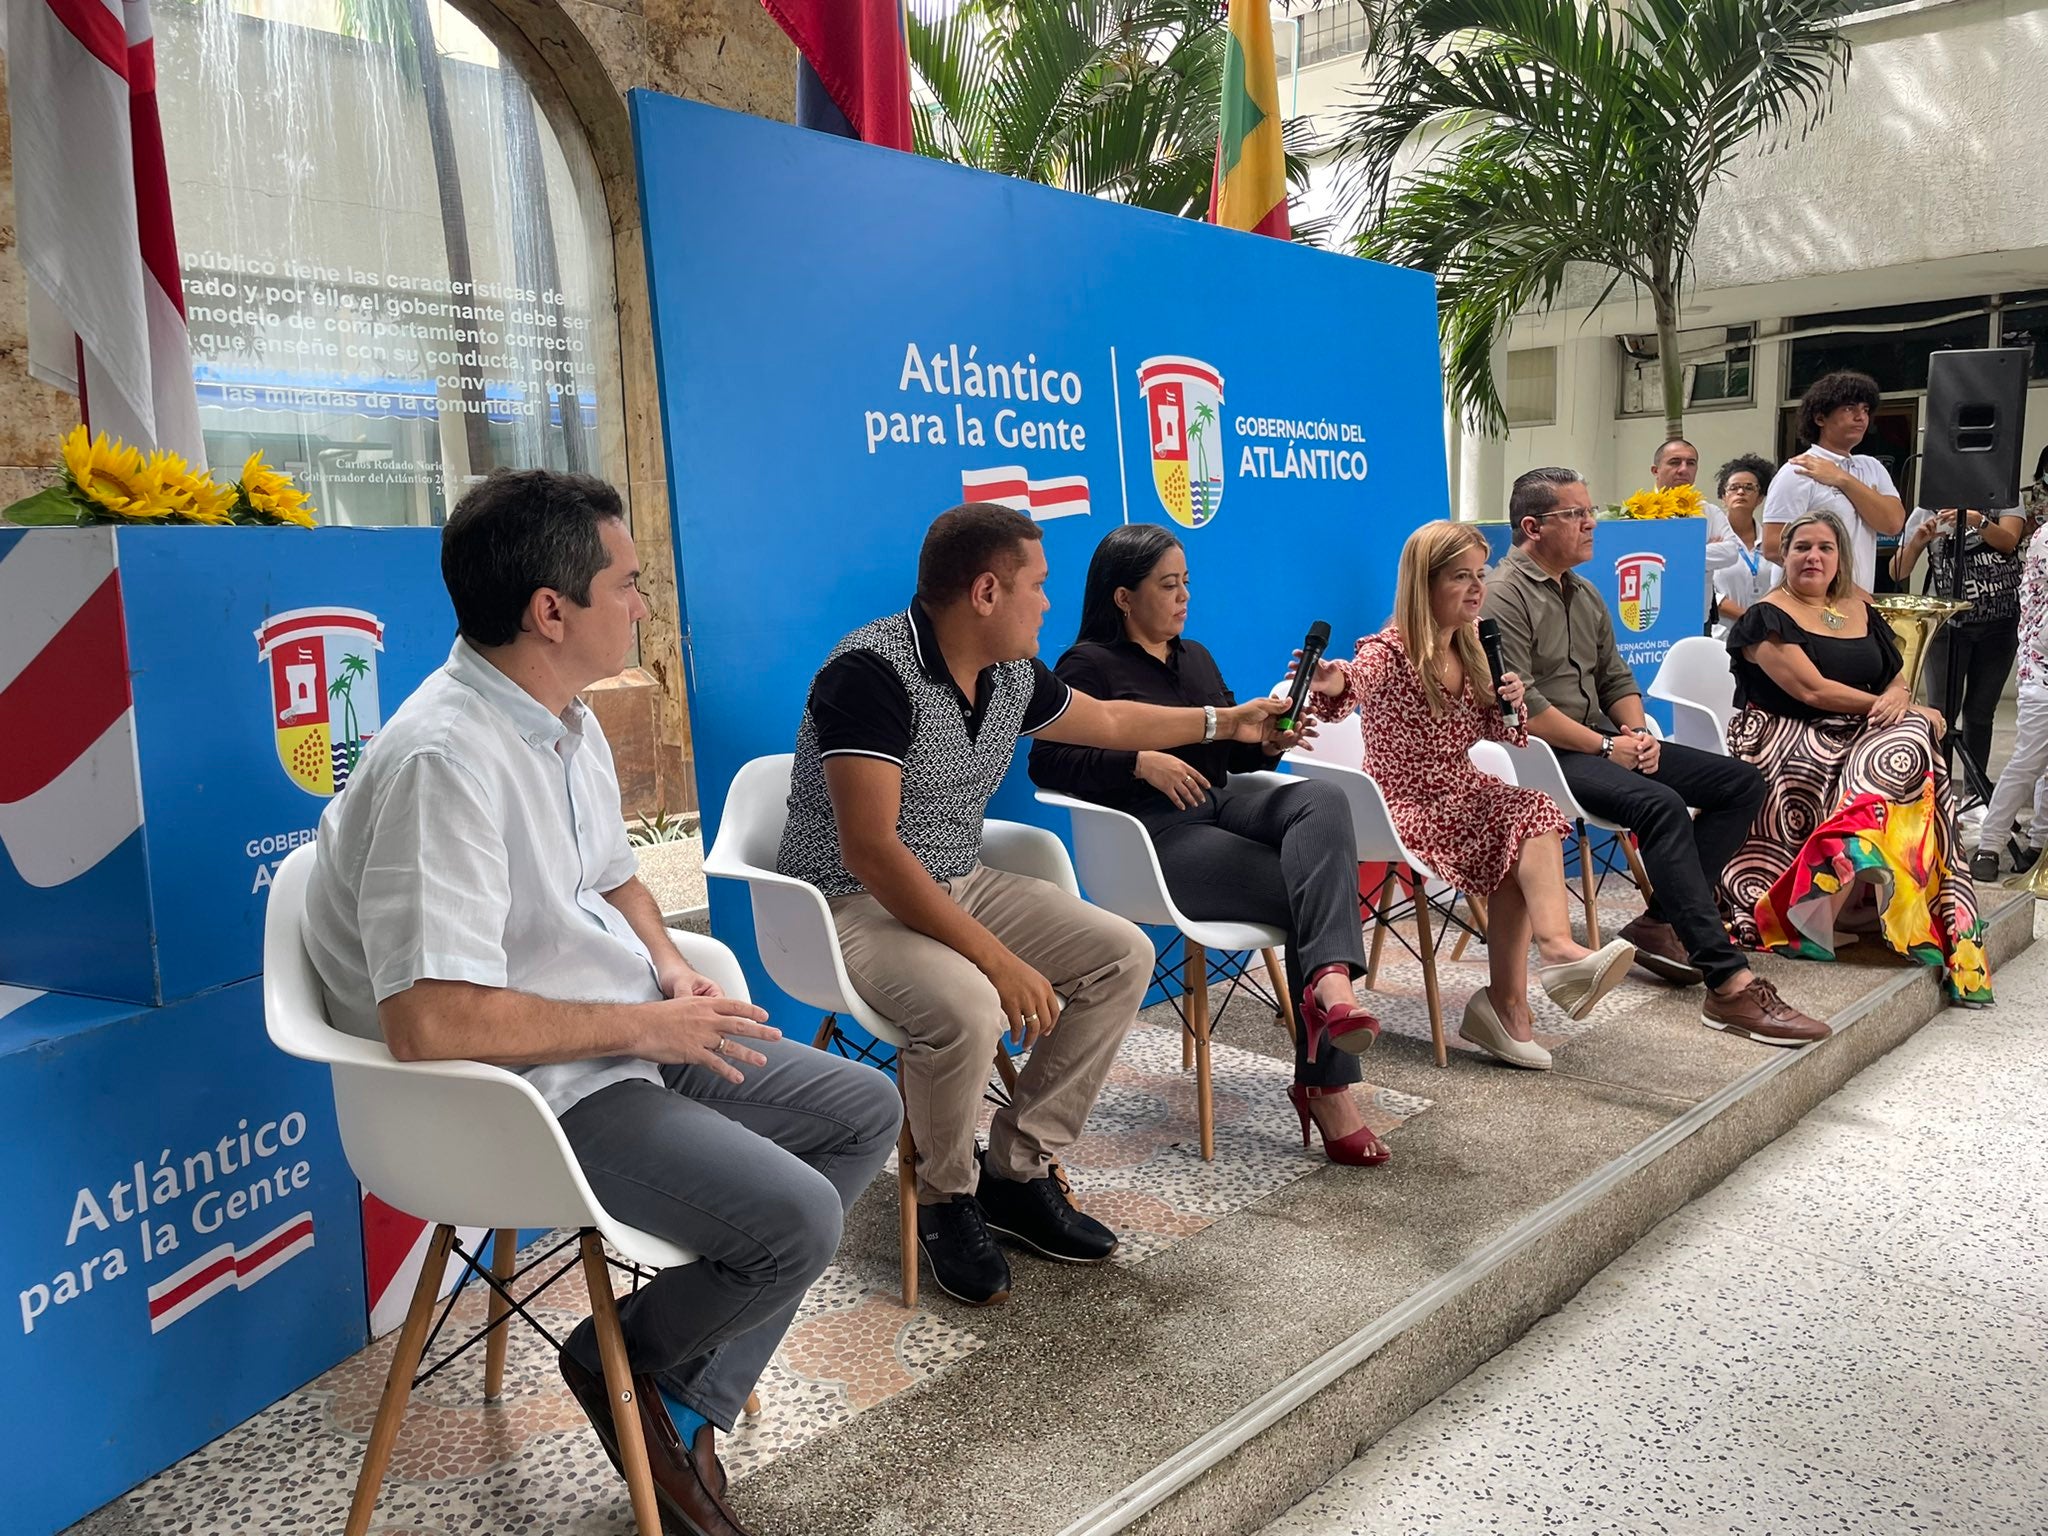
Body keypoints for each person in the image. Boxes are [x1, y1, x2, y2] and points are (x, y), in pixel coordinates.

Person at [303, 470, 902, 1536]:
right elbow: (429, 1023)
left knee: (863, 1111)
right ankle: (615, 1358)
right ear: (551, 612)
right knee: (795, 1220)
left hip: (614, 1034)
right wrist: (642, 1024)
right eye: (626, 584)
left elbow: (614, 876)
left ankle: (672, 1395)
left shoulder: (561, 719)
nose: (642, 606)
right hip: (524, 1094)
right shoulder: (446, 761)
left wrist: (666, 965)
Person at [778, 503, 1292, 1307]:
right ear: (987, 592)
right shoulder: (867, 675)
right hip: (853, 904)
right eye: (1038, 586)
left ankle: (1015, 1170)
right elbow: (872, 852)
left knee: (1121, 955)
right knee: (971, 1008)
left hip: (960, 878)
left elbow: (1114, 721)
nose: (1049, 603)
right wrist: (998, 959)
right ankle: (946, 1199)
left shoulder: (1011, 672)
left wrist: (1224, 719)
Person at [1027, 525, 1383, 1160]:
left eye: (1186, 581)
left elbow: (1227, 756)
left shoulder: (1195, 657)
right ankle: (1328, 1084)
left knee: (1322, 799)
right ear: (1122, 597)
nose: (1184, 595)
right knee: (1313, 891)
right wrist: (1136, 761)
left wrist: (1266, 743)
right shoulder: (1085, 666)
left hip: (1222, 804)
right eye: (1168, 585)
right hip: (1156, 838)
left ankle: (1329, 979)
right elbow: (1047, 764)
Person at [1481, 467, 1830, 1047]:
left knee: (1742, 783)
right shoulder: (1503, 596)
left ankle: (1663, 919)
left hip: (1604, 740)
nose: (1592, 523)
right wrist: (1607, 746)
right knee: (1662, 806)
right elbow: (1528, 711)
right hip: (1544, 756)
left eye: (1590, 510)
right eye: (1577, 514)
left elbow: (1616, 676)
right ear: (1532, 527)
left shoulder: (1584, 590)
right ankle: (1729, 984)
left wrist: (1637, 733)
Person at [1298, 521, 1638, 1070]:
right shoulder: (1390, 651)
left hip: (1463, 792)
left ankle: (1519, 994)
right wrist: (1332, 682)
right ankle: (1541, 971)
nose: (1478, 588)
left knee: (1527, 818)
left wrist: (1508, 700)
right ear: (1424, 585)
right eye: (1461, 577)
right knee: (1527, 816)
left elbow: (1508, 736)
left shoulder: (1477, 645)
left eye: (1480, 574)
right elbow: (1349, 685)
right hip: (1403, 806)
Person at [1718, 510, 1992, 1005]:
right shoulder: (1767, 615)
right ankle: (1818, 904)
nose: (1813, 557)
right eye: (1802, 547)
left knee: (1911, 739)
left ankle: (1841, 895)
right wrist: (1894, 706)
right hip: (1788, 731)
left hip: (1858, 726)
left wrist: (1900, 697)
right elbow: (1812, 690)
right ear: (1784, 554)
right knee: (1908, 737)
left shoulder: (1859, 607)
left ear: (1840, 556)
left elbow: (1894, 672)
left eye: (1825, 547)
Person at [1888, 501, 2027, 774]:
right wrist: (1918, 541)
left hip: (1998, 620)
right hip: (1944, 624)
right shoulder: (1930, 505)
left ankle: (1974, 793)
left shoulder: (2005, 495)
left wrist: (1978, 521)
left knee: (1980, 712)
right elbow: (1897, 571)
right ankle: (1937, 786)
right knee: (1940, 711)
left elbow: (2009, 542)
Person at [1761, 369, 1907, 593]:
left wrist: (1842, 479)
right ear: (1820, 418)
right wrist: (1834, 584)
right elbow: (1772, 546)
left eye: (1865, 410)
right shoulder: (1798, 470)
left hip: (1856, 603)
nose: (1861, 417)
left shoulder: (1872, 467)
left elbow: (1893, 524)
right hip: (1807, 605)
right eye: (1849, 408)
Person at [1973, 507, 2048, 883]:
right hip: (2042, 670)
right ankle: (1990, 842)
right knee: (2029, 761)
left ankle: (2039, 843)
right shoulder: (2046, 538)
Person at [1649, 437, 1746, 624]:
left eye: (1691, 463)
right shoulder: (1638, 513)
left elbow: (1731, 552)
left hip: (1698, 619)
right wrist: (1703, 552)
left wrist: (1670, 556)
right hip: (1652, 618)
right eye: (1675, 462)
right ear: (1655, 470)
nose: (1684, 469)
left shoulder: (1709, 512)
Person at [1709, 455, 1778, 638]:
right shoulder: (1713, 539)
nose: (1741, 492)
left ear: (1760, 498)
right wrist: (1749, 618)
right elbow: (1708, 593)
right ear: (1723, 496)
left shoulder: (1772, 542)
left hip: (1767, 635)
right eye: (1733, 488)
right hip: (1722, 637)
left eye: (1749, 488)